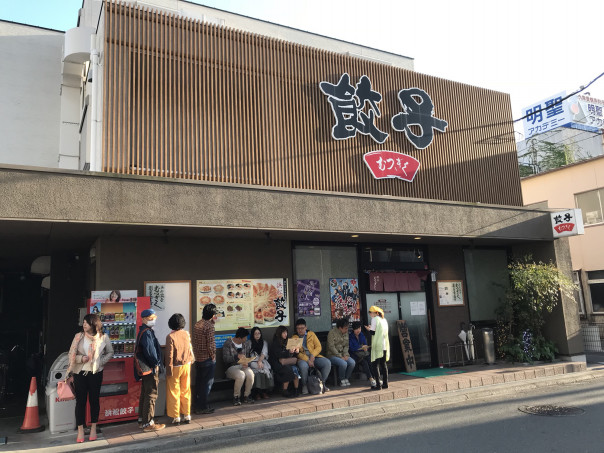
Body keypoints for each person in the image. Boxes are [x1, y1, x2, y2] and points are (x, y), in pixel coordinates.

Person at [67, 313, 113, 443]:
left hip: (96, 373)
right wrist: (81, 358)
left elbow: (110, 352)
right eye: (83, 322)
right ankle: (81, 430)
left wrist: (100, 362)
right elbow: (71, 354)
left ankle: (93, 428)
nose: (84, 324)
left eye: (86, 322)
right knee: (80, 402)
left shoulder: (103, 337)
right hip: (80, 373)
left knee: (94, 401)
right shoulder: (78, 337)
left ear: (94, 323)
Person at [134, 308, 165, 431]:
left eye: (154, 318)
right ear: (143, 319)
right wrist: (156, 364)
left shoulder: (144, 331)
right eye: (150, 318)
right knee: (151, 394)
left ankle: (143, 420)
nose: (153, 320)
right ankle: (148, 423)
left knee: (145, 394)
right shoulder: (147, 333)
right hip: (150, 368)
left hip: (145, 368)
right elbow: (150, 352)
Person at [165, 313, 194, 425]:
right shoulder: (186, 334)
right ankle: (187, 415)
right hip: (187, 365)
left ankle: (176, 416)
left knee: (173, 391)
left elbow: (169, 355)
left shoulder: (170, 337)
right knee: (186, 389)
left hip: (175, 366)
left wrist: (168, 370)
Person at [291, 318, 331, 394]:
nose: (300, 330)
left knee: (327, 363)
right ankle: (304, 385)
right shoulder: (294, 337)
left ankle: (322, 383)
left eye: (302, 328)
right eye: (298, 328)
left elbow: (319, 346)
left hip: (314, 356)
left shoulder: (311, 334)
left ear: (306, 327)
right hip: (302, 359)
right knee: (303, 366)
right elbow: (297, 353)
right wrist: (307, 360)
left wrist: (313, 355)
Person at [193, 303, 217, 414]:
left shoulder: (197, 324)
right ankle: (202, 407)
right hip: (207, 358)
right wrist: (213, 356)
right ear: (213, 315)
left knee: (199, 383)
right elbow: (211, 344)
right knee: (207, 384)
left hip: (198, 357)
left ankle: (196, 405)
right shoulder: (210, 327)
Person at [222, 327, 255, 405]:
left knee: (250, 374)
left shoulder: (245, 344)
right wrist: (236, 356)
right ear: (240, 338)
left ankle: (247, 395)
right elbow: (225, 359)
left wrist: (247, 363)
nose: (246, 339)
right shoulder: (228, 343)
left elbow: (248, 356)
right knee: (241, 375)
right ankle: (236, 397)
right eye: (245, 337)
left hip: (243, 366)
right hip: (231, 367)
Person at [268, 326, 300, 398]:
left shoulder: (287, 341)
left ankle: (296, 389)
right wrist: (288, 352)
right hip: (277, 363)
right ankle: (284, 390)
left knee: (295, 369)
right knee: (288, 369)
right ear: (279, 333)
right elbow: (279, 355)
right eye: (283, 332)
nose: (285, 334)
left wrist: (295, 351)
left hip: (286, 362)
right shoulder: (275, 343)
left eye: (286, 332)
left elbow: (291, 354)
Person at [365, 306, 390, 390]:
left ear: (376, 313)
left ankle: (378, 385)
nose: (370, 314)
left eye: (371, 312)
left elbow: (372, 332)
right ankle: (386, 383)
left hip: (377, 345)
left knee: (375, 365)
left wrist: (369, 329)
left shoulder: (374, 319)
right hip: (384, 345)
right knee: (383, 364)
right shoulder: (384, 320)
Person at [326, 318, 355, 387]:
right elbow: (331, 347)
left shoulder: (346, 333)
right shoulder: (332, 333)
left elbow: (346, 345)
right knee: (343, 363)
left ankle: (346, 378)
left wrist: (345, 354)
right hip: (332, 355)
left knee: (352, 363)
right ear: (340, 328)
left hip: (343, 354)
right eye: (345, 328)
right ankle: (341, 379)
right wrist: (340, 356)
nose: (347, 330)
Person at [247, 327, 274, 399]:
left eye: (259, 333)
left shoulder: (264, 342)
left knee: (263, 369)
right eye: (255, 333)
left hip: (262, 361)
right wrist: (257, 362)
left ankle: (264, 392)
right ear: (252, 334)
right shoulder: (249, 343)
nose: (257, 335)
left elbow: (264, 353)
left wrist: (260, 361)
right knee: (258, 371)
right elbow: (248, 355)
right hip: (252, 362)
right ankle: (256, 393)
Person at [349, 321, 376, 387]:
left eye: (359, 328)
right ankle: (371, 378)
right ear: (353, 329)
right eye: (356, 329)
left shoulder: (361, 334)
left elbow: (365, 343)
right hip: (354, 355)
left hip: (363, 353)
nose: (358, 330)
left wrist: (365, 347)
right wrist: (361, 347)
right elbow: (351, 348)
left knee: (370, 360)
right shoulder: (350, 336)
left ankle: (375, 377)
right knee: (364, 362)